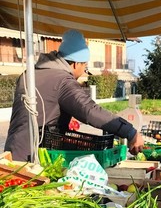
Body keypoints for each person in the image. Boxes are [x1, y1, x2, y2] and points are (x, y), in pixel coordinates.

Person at [5, 29, 144, 161]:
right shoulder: (63, 81)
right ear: (76, 63)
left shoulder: (29, 74)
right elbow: (90, 111)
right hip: (33, 156)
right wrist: (130, 132)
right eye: (85, 66)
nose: (84, 71)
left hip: (12, 151)